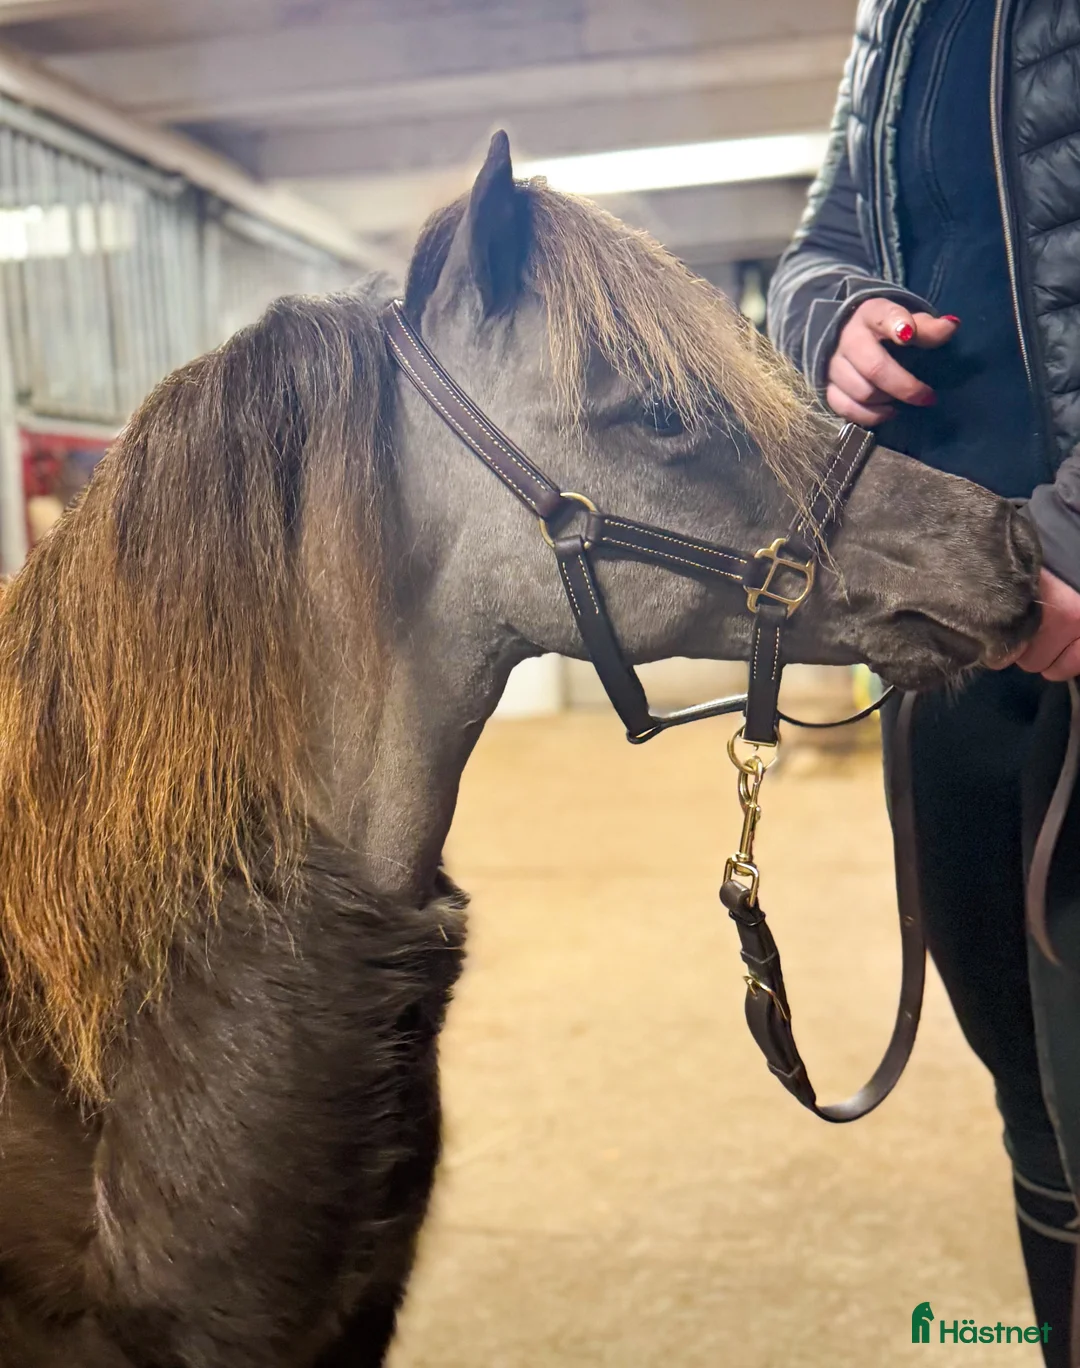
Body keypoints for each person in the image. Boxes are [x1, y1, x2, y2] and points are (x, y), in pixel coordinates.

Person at [767, 4, 1080, 1364]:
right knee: (1033, 1092)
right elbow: (825, 242)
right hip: (963, 626)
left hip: (1054, 581)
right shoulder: (894, 17)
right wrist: (831, 318)